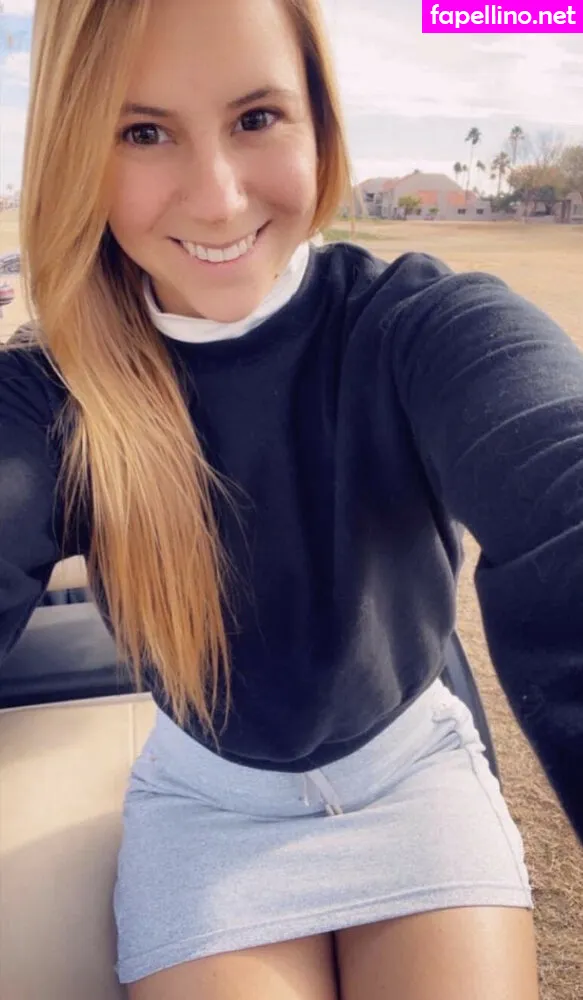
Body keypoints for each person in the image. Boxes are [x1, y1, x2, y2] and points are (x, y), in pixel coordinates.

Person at [1, 0, 582, 996]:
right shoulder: (52, 397)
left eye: (256, 116)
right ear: (75, 149)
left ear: (319, 120)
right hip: (205, 808)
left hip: (414, 779)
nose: (218, 199)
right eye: (143, 132)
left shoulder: (418, 327)